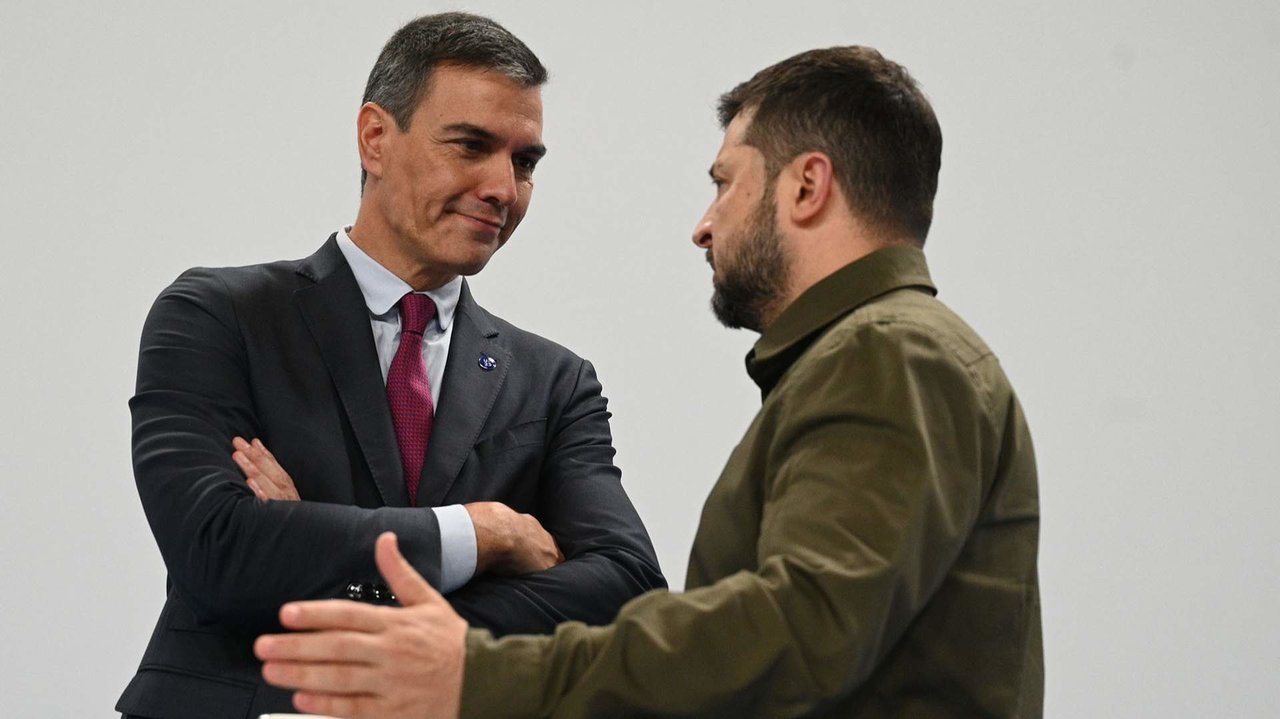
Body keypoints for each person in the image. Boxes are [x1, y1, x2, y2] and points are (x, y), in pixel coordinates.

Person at [254, 45, 1043, 718]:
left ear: (807, 187)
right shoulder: (884, 354)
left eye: (725, 181)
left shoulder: (889, 356)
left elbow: (800, 628)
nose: (704, 224)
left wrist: (480, 672)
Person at [116, 12, 665, 718]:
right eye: (471, 145)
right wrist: (484, 532)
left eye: (524, 162)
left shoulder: (555, 382)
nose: (503, 187)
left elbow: (630, 589)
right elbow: (219, 550)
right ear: (375, 138)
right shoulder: (219, 315)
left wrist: (314, 539)